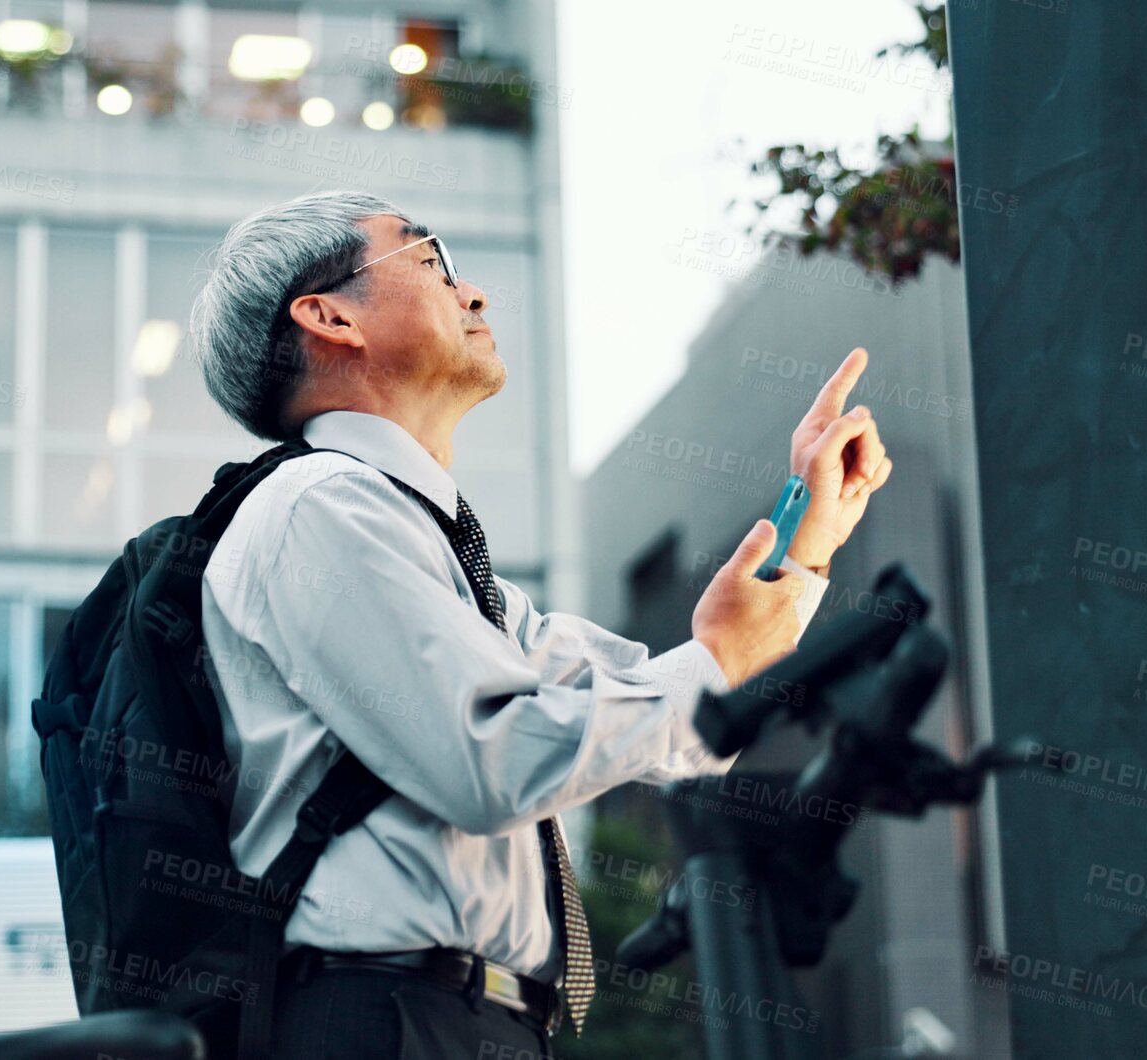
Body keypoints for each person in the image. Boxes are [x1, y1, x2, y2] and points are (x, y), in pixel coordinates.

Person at [186, 191, 892, 1059]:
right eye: (430, 261)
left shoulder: (422, 542)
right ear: (328, 316)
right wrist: (713, 661)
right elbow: (493, 758)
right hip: (383, 1017)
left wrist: (804, 541)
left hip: (461, 1017)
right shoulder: (319, 507)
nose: (472, 294)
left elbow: (672, 732)